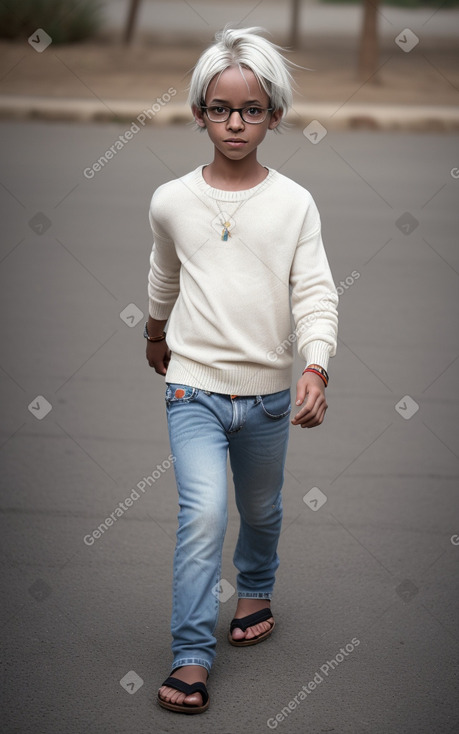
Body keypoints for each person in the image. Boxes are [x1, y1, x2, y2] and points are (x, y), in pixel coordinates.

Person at [145, 26, 338, 714]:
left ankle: (256, 587)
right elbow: (165, 271)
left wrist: (314, 365)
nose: (235, 122)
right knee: (203, 514)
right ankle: (192, 654)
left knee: (260, 508)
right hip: (191, 388)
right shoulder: (170, 199)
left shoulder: (293, 204)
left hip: (264, 398)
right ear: (198, 111)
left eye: (251, 109)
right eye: (220, 108)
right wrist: (153, 327)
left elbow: (314, 291)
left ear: (274, 116)